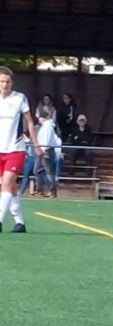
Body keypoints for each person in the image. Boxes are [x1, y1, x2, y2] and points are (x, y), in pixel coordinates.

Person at [0, 66, 44, 233]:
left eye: (8, 82)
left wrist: (37, 145)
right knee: (9, 188)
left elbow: (30, 122)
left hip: (15, 149)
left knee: (7, 184)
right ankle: (20, 222)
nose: (5, 85)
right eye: (2, 82)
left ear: (12, 83)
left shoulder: (20, 98)